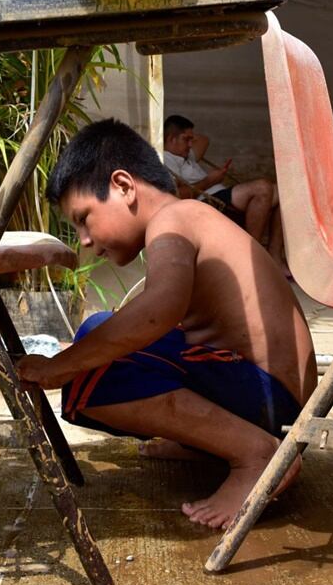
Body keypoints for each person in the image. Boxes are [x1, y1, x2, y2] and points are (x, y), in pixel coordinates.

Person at [16, 118, 317, 529]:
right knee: (109, 346)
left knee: (96, 356)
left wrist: (61, 365)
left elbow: (160, 309)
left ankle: (255, 455)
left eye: (84, 218)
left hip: (267, 397)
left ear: (123, 186)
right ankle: (205, 442)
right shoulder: (190, 218)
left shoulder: (175, 218)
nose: (84, 239)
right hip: (272, 399)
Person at [161, 114, 286, 269]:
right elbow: (176, 196)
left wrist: (185, 138)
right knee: (262, 188)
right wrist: (211, 180)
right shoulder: (166, 159)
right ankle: (251, 257)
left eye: (191, 140)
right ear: (172, 139)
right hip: (209, 202)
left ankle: (274, 255)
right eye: (186, 139)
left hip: (222, 197)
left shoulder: (187, 155)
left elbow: (204, 140)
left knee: (285, 194)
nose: (190, 144)